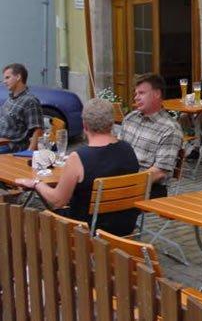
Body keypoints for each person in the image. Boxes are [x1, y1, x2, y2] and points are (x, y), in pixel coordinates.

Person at [15, 99, 140, 235]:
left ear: (84, 126)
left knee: (35, 208)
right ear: (111, 124)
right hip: (124, 227)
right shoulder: (128, 150)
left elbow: (57, 201)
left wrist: (35, 184)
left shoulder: (79, 158)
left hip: (85, 231)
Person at [119, 73, 183, 199]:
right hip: (121, 180)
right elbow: (116, 152)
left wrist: (124, 183)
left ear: (157, 94)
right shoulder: (130, 118)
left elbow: (159, 172)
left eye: (141, 93)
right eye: (136, 93)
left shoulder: (169, 129)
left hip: (150, 187)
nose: (136, 97)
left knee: (97, 200)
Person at [0, 63, 43, 153]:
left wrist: (29, 153)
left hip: (11, 146)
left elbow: (38, 130)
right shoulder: (11, 98)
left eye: (7, 78)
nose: (4, 81)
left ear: (18, 77)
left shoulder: (30, 101)